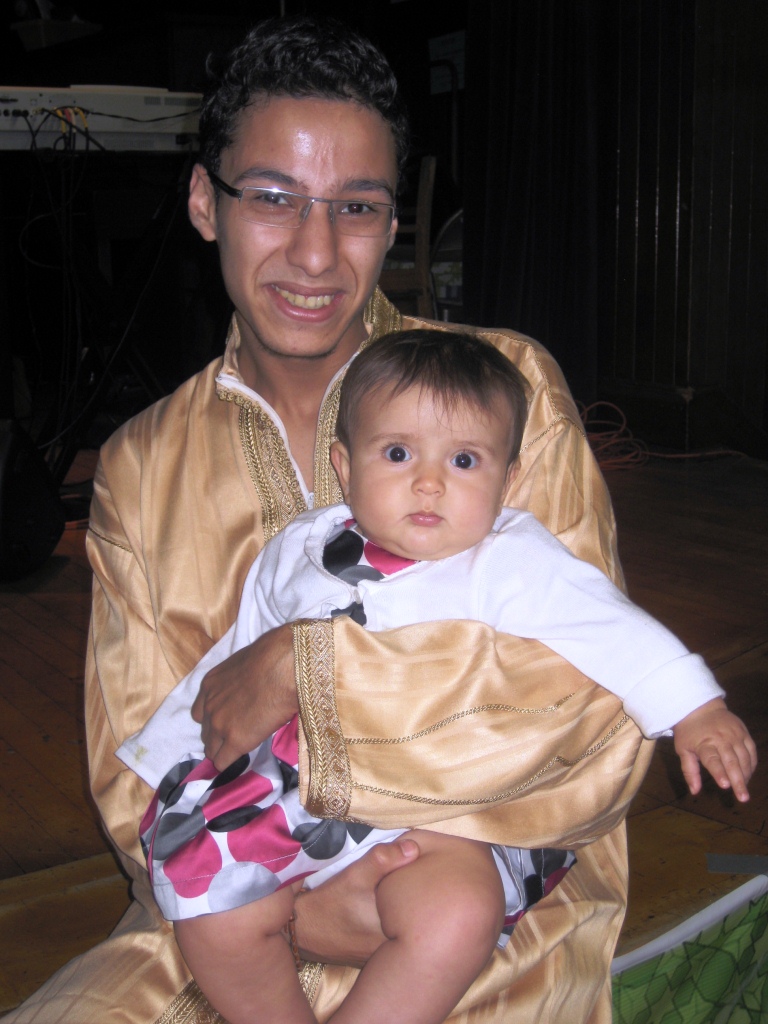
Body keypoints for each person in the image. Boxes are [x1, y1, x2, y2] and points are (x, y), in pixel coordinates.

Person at [0, 15, 734, 1024]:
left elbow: (588, 721)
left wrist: (311, 669)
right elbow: (137, 769)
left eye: (356, 206)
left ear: (392, 225)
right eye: (273, 198)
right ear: (205, 202)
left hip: (481, 916)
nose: (315, 253)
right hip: (219, 919)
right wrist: (287, 908)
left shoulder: (503, 391)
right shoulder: (142, 460)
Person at [118, 329, 755, 1024]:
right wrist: (175, 756)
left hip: (448, 813)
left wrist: (696, 709)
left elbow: (615, 632)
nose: (430, 482)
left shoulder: (513, 561)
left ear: (507, 479)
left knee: (456, 914)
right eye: (397, 453)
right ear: (345, 466)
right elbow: (239, 666)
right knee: (213, 910)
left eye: (464, 459)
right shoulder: (300, 549)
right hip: (295, 793)